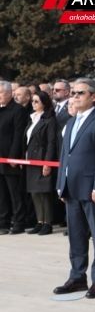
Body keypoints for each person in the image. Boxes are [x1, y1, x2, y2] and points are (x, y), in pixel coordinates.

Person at [54, 78, 95, 299]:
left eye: (80, 93)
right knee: (76, 235)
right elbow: (65, 157)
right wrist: (61, 184)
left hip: (92, 189)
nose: (75, 96)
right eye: (73, 93)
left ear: (93, 96)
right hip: (71, 188)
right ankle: (78, 276)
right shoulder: (71, 122)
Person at [24, 90, 58, 235]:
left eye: (36, 101)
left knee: (43, 193)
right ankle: (39, 221)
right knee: (34, 192)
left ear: (44, 103)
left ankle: (47, 223)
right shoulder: (33, 118)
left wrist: (47, 163)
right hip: (31, 159)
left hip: (42, 158)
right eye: (32, 101)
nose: (33, 104)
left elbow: (51, 143)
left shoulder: (49, 119)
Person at [0, 80, 29, 234]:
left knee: (15, 192)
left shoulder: (17, 110)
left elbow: (18, 135)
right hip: (0, 159)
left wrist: (13, 156)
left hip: (10, 159)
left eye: (1, 93)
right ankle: (3, 221)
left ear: (9, 93)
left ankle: (19, 221)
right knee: (1, 193)